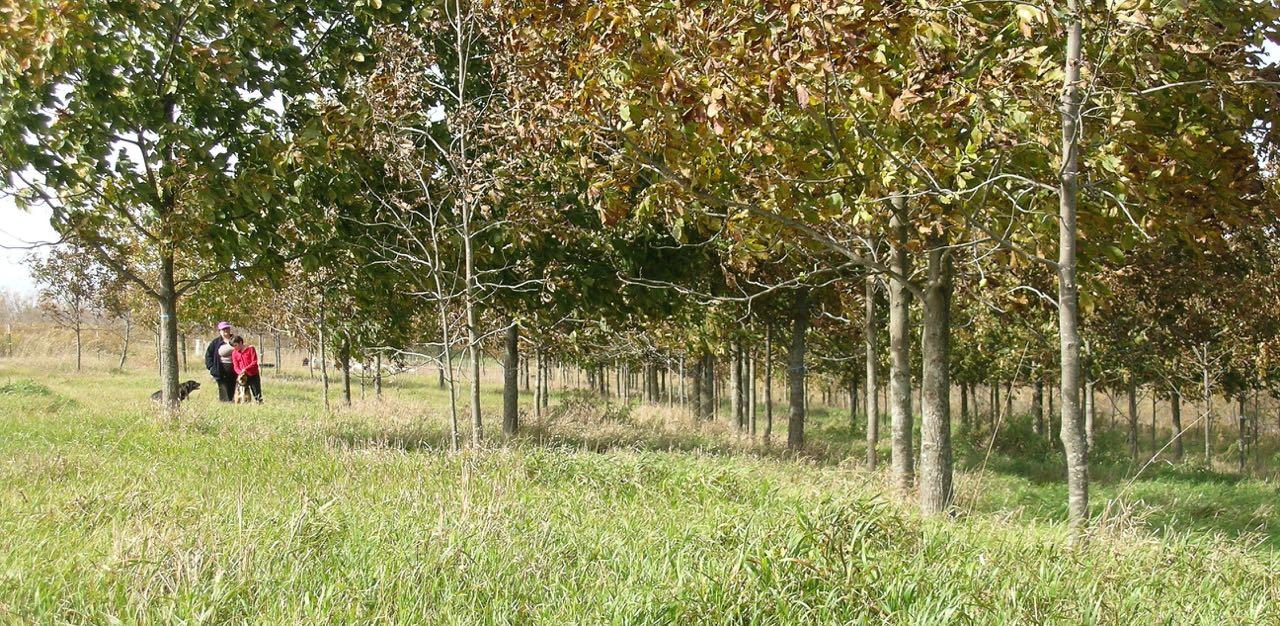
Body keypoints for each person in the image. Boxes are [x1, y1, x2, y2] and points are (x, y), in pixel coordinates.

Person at [204, 321, 237, 402]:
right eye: (223, 329)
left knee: (231, 388)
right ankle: (224, 404)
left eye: (227, 329)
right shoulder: (216, 342)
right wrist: (211, 367)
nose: (226, 331)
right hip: (220, 369)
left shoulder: (236, 340)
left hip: (233, 369)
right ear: (220, 331)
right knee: (222, 388)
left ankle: (231, 403)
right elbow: (208, 355)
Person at [230, 335, 263, 403]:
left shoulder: (250, 349)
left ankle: (259, 404)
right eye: (233, 346)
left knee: (257, 394)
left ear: (241, 342)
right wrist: (240, 372)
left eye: (236, 345)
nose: (235, 348)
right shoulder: (234, 353)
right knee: (242, 393)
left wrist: (246, 369)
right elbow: (235, 366)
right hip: (242, 376)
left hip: (253, 374)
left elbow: (254, 362)